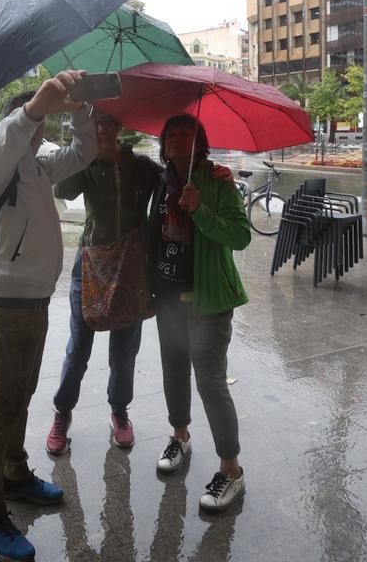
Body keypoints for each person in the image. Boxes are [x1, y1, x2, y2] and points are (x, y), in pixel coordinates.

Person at [46, 114, 236, 455]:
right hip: (92, 266)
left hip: (131, 269)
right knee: (78, 348)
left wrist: (213, 173)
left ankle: (119, 412)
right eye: (94, 125)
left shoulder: (141, 166)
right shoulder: (86, 163)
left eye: (107, 123)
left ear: (119, 127)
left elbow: (174, 179)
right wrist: (85, 152)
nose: (101, 129)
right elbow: (63, 188)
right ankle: (62, 413)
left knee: (124, 353)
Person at [0, 70, 97, 562]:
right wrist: (36, 106)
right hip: (3, 301)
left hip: (36, 298)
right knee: (2, 406)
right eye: (33, 124)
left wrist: (81, 108)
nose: (39, 133)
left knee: (21, 396)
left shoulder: (38, 168)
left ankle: (15, 474)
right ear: (16, 123)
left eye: (41, 127)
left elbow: (84, 153)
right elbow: (9, 136)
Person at [149, 114, 252, 513]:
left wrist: (201, 209)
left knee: (210, 383)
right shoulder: (160, 184)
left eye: (185, 133)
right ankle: (180, 437)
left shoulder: (218, 181)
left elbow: (240, 236)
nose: (176, 138)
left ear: (200, 142)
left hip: (208, 300)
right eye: (170, 132)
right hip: (168, 298)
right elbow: (150, 239)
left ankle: (232, 469)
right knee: (173, 371)